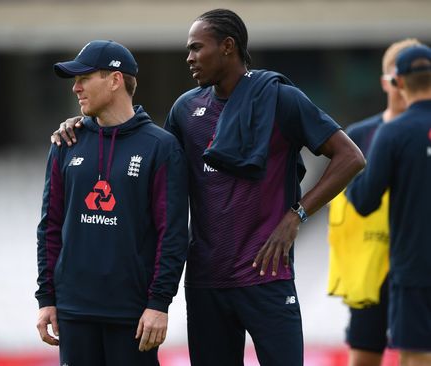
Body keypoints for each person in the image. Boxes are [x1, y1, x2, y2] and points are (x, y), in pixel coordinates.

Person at [51, 9, 365, 366]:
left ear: (228, 47)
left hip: (266, 276)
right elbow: (146, 158)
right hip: (206, 282)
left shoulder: (281, 99)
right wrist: (85, 125)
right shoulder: (185, 110)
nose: (189, 58)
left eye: (197, 48)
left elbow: (351, 157)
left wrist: (296, 216)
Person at [35, 40, 189, 366]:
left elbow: (172, 233)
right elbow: (49, 226)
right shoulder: (66, 142)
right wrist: (46, 298)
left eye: (84, 78)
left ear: (115, 80)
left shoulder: (161, 147)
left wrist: (159, 303)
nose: (75, 88)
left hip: (133, 316)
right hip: (73, 312)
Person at [327, 38, 421, 366]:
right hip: (371, 266)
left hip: (414, 265)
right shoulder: (360, 136)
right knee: (365, 351)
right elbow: (347, 203)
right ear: (387, 81)